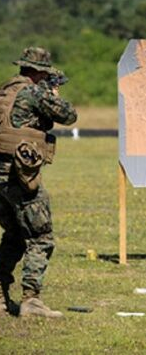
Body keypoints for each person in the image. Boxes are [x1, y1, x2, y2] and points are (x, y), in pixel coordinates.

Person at [0, 47, 77, 318]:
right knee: (40, 237)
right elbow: (68, 115)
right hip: (19, 176)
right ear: (36, 72)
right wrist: (53, 96)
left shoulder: (5, 92)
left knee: (15, 236)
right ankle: (31, 300)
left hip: (1, 176)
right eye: (44, 74)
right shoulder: (33, 92)